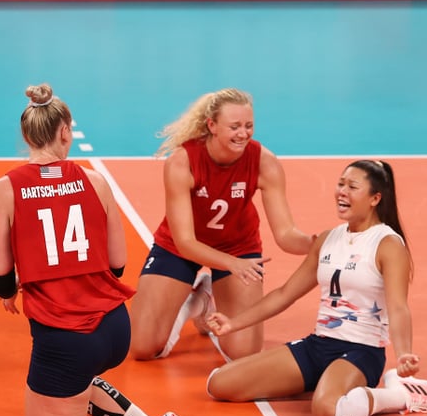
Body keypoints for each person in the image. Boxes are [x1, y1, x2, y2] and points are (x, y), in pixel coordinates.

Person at [0, 84, 213, 416]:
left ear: (26, 137)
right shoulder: (94, 181)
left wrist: (13, 286)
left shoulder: (5, 188)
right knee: (80, 383)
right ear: (65, 134)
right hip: (113, 327)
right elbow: (117, 262)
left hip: (65, 337)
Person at [204, 160, 427, 416]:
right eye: (341, 184)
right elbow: (285, 293)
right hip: (318, 345)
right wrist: (233, 323)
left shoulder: (388, 244)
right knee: (219, 384)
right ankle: (327, 384)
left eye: (352, 187)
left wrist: (403, 353)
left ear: (374, 198)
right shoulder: (327, 239)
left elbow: (398, 307)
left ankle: (398, 394)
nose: (342, 191)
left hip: (361, 351)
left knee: (327, 410)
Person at [130, 88, 315, 362]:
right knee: (143, 348)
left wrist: (318, 242)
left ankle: (205, 301)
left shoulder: (265, 162)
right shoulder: (183, 161)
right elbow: (186, 242)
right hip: (180, 247)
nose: (243, 133)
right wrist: (230, 263)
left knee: (244, 353)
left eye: (249, 125)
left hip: (238, 246)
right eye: (235, 126)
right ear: (212, 125)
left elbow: (286, 235)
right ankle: (194, 302)